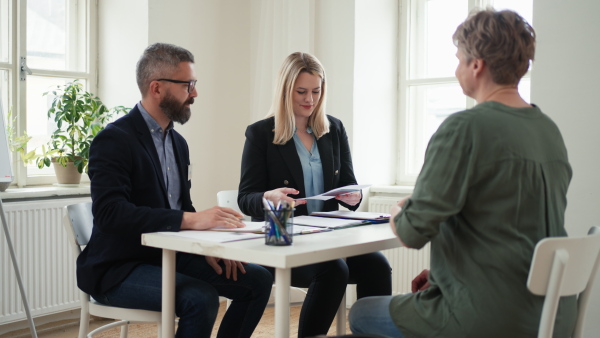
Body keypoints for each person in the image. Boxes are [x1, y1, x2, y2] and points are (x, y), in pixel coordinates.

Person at [348, 9, 577, 338]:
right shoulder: (547, 130)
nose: (456, 70)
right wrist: (445, 276)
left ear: (477, 64)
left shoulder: (464, 128)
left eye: (458, 59)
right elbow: (512, 229)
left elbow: (412, 232)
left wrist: (400, 209)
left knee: (360, 311)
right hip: (552, 315)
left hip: (485, 318)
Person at [76, 43, 273, 338]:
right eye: (188, 85)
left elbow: (181, 207)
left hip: (171, 255)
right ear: (157, 88)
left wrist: (209, 248)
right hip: (120, 267)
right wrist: (191, 221)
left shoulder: (178, 143)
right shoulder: (113, 140)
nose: (195, 93)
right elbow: (109, 214)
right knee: (200, 297)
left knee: (257, 279)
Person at [238, 52, 392, 337]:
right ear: (286, 90)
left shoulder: (333, 129)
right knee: (333, 270)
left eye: (316, 91)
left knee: (378, 265)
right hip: (283, 239)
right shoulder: (261, 133)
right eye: (301, 92)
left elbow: (350, 186)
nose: (310, 99)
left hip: (328, 236)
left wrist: (351, 197)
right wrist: (268, 197)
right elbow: (245, 196)